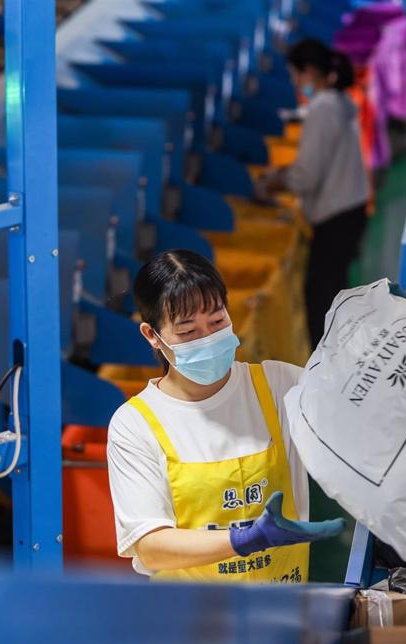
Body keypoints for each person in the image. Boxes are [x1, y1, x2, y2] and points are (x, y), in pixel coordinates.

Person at [106, 250, 345, 582]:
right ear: (152, 335)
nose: (207, 339)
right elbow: (149, 544)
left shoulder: (277, 386)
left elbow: (358, 413)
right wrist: (243, 540)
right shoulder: (135, 424)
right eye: (188, 332)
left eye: (217, 322)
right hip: (190, 625)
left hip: (283, 609)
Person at [264, 38, 370, 347]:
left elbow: (306, 176)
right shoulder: (338, 101)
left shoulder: (322, 109)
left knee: (319, 300)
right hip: (351, 209)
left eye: (295, 75)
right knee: (335, 291)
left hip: (336, 218)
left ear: (309, 71)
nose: (295, 83)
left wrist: (275, 180)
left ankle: (327, 367)